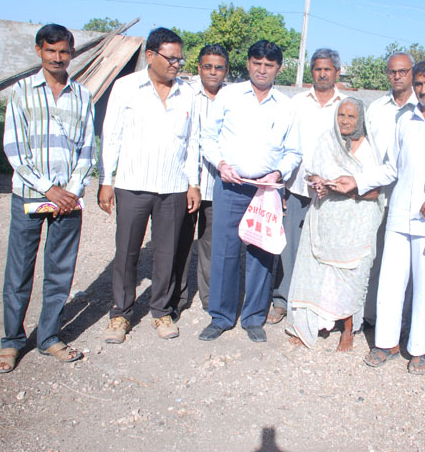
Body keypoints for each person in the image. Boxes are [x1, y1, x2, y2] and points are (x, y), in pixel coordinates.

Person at [329, 60, 425, 373]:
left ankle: (419, 350)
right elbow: (392, 167)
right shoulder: (406, 119)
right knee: (390, 281)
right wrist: (358, 182)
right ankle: (386, 343)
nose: (423, 90)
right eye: (419, 84)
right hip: (400, 211)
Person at [0, 23, 95, 373]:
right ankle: (12, 341)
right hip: (30, 195)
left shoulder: (82, 95)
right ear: (39, 51)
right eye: (50, 50)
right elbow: (14, 148)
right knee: (19, 271)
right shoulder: (21, 92)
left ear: (72, 53)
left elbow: (87, 150)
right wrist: (49, 188)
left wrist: (72, 190)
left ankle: (49, 336)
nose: (57, 57)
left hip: (68, 201)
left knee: (59, 272)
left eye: (63, 51)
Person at [98, 28, 200, 343]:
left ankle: (161, 311)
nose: (177, 65)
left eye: (180, 59)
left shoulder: (187, 93)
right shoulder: (126, 88)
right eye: (171, 59)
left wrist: (193, 183)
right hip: (133, 185)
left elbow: (192, 141)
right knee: (127, 252)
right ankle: (121, 313)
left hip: (173, 187)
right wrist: (106, 180)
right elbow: (111, 135)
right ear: (150, 55)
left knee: (167, 253)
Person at [199, 40, 301, 343]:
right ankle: (221, 316)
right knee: (224, 251)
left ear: (278, 68)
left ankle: (254, 317)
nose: (262, 70)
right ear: (248, 64)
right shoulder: (229, 96)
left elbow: (294, 151)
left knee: (262, 252)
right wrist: (220, 163)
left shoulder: (286, 106)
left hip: (265, 189)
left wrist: (278, 173)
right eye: (257, 63)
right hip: (231, 184)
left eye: (269, 65)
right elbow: (208, 137)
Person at [285, 97, 383, 351]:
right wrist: (319, 182)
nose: (345, 121)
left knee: (351, 275)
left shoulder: (370, 148)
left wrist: (345, 190)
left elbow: (375, 192)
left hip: (357, 222)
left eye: (351, 116)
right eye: (341, 115)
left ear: (360, 119)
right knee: (319, 272)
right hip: (325, 218)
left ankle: (348, 329)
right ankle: (312, 324)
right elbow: (312, 173)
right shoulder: (327, 140)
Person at [268, 48, 345, 325]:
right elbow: (282, 143)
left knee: (325, 250)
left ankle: (317, 305)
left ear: (337, 72)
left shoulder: (345, 105)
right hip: (297, 188)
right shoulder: (296, 103)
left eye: (327, 69)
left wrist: (333, 182)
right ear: (311, 71)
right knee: (288, 248)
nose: (322, 74)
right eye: (317, 69)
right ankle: (282, 300)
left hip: (331, 192)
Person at [172, 44, 229, 316]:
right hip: (186, 184)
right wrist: (188, 182)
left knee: (211, 245)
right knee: (181, 243)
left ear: (226, 70)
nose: (213, 72)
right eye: (208, 66)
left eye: (219, 67)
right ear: (199, 68)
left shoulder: (232, 97)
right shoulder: (185, 93)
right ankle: (176, 298)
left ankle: (210, 299)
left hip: (218, 184)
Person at [361, 52, 418, 324]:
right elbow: (365, 150)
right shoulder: (376, 108)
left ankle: (400, 321)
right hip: (376, 193)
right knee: (373, 255)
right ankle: (370, 315)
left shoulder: (422, 108)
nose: (397, 76)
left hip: (409, 196)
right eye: (393, 71)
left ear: (412, 73)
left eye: (403, 71)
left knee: (405, 263)